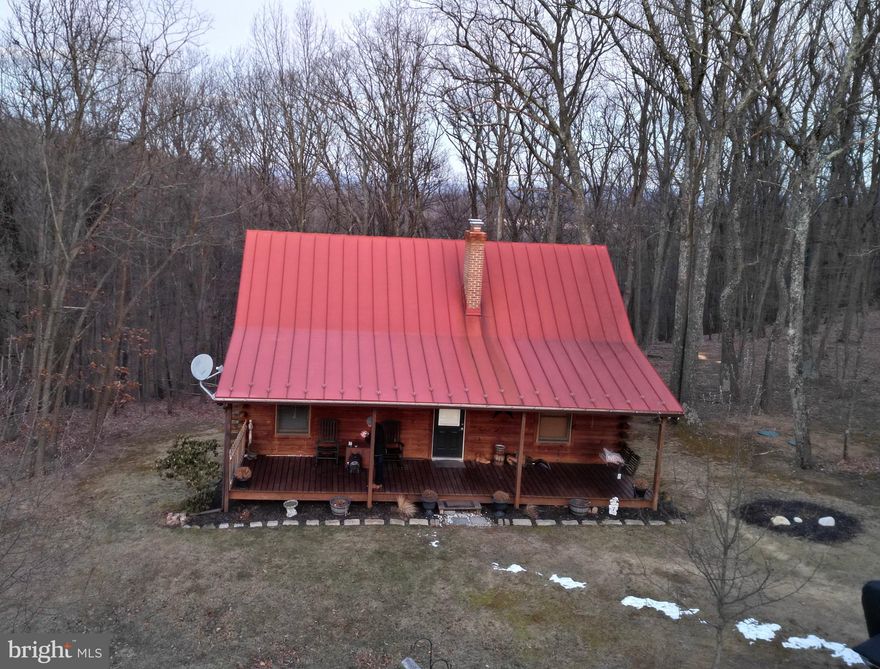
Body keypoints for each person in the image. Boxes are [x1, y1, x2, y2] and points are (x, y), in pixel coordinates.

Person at [365, 416, 386, 490]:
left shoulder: (375, 429)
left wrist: (365, 437)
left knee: (379, 467)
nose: (368, 425)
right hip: (380, 449)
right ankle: (378, 483)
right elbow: (373, 437)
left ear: (371, 423)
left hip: (378, 451)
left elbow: (371, 441)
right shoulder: (378, 427)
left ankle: (378, 484)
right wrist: (368, 434)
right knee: (379, 467)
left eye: (368, 424)